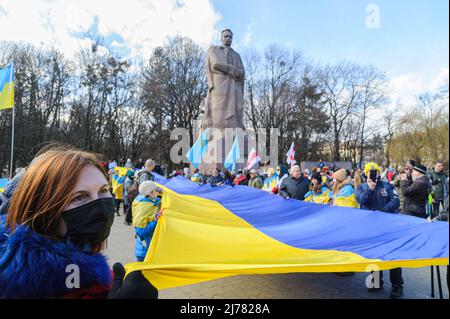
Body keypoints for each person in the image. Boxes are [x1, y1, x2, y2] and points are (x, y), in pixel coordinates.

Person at [0, 146, 157, 298]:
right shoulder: (22, 287)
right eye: (79, 197)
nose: (100, 206)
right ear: (44, 211)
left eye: (103, 190)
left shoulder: (88, 276)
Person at [355, 162, 402, 298]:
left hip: (388, 227)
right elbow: (362, 200)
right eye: (370, 171)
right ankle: (375, 282)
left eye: (375, 170)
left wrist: (382, 212)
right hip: (370, 229)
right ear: (365, 173)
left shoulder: (388, 185)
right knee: (374, 256)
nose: (372, 173)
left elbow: (396, 200)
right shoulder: (361, 187)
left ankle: (397, 286)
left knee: (394, 257)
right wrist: (370, 189)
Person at [132, 181, 161, 262]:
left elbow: (155, 201)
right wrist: (156, 220)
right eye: (156, 190)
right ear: (151, 192)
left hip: (149, 249)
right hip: (144, 252)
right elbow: (140, 231)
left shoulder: (149, 201)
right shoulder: (143, 206)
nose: (158, 191)